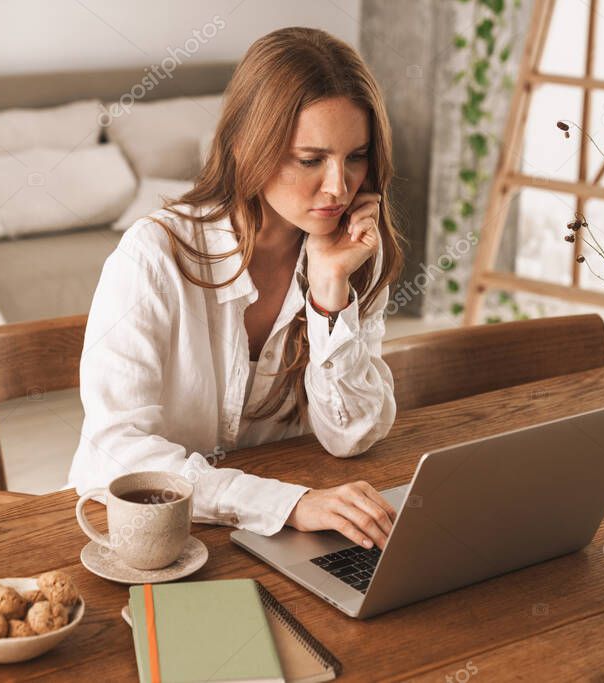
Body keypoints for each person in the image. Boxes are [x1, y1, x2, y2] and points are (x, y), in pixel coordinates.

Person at [68, 27, 405, 551]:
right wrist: (287, 504)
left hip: (284, 539)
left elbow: (352, 436)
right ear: (249, 148)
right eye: (310, 160)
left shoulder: (353, 253)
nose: (340, 187)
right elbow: (117, 453)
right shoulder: (153, 256)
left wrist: (328, 291)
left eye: (355, 157)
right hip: (155, 543)